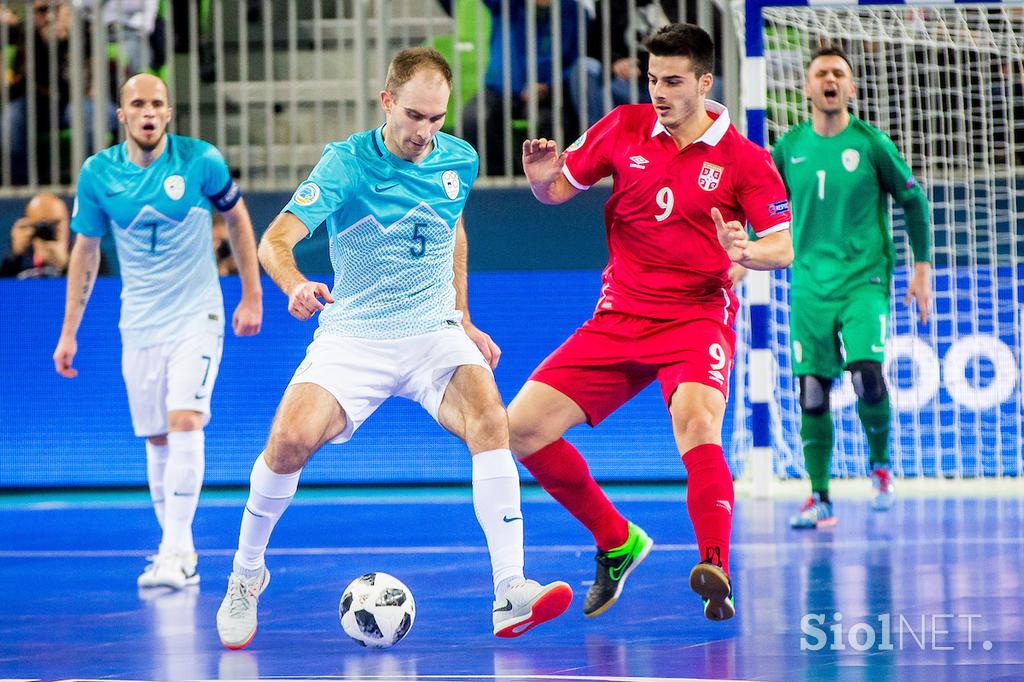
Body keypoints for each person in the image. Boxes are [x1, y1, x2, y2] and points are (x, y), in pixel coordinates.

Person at [214, 47, 572, 650]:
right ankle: (246, 573)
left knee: (491, 417)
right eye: (414, 117)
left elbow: (452, 229)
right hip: (355, 336)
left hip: (433, 332)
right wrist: (295, 284)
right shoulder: (345, 165)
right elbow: (277, 239)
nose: (425, 132)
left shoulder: (459, 158)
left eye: (436, 118)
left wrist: (462, 317)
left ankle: (510, 591)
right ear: (387, 102)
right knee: (289, 442)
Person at [507, 23, 794, 623]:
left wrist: (744, 251)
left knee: (697, 425)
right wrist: (540, 180)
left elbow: (782, 247)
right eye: (652, 78)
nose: (658, 91)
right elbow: (559, 190)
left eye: (672, 81)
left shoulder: (745, 159)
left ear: (705, 82)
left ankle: (716, 568)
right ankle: (617, 541)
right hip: (620, 316)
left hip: (695, 317)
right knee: (520, 429)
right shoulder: (623, 125)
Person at [52, 73, 263, 588]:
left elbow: (236, 219)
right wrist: (68, 331)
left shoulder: (200, 161)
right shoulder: (98, 174)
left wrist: (251, 295)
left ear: (169, 113)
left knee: (186, 419)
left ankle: (175, 549)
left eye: (158, 104)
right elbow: (85, 250)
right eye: (138, 104)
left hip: (197, 314)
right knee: (156, 438)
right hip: (139, 321)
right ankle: (177, 551)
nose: (149, 112)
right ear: (121, 115)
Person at [763, 45, 931, 529]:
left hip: (865, 280)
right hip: (808, 285)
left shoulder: (873, 143)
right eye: (821, 73)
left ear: (851, 87)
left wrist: (922, 271)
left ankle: (880, 468)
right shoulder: (788, 147)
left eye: (838, 73)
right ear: (808, 87)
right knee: (811, 391)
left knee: (866, 373)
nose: (829, 79)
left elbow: (913, 203)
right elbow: (761, 205)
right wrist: (744, 252)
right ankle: (819, 497)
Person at [461, 0, 581, 176]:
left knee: (550, 123)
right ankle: (500, 181)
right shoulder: (508, 5)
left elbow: (577, 60)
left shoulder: (573, 10)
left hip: (550, 94)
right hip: (499, 90)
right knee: (474, 118)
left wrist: (549, 87)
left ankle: (545, 180)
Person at [1, 192, 70, 278]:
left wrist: (67, 265)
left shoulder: (80, 252)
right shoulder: (19, 256)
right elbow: (5, 288)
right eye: (40, 224)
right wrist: (14, 256)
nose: (47, 230)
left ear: (67, 221)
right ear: (28, 222)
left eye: (55, 223)